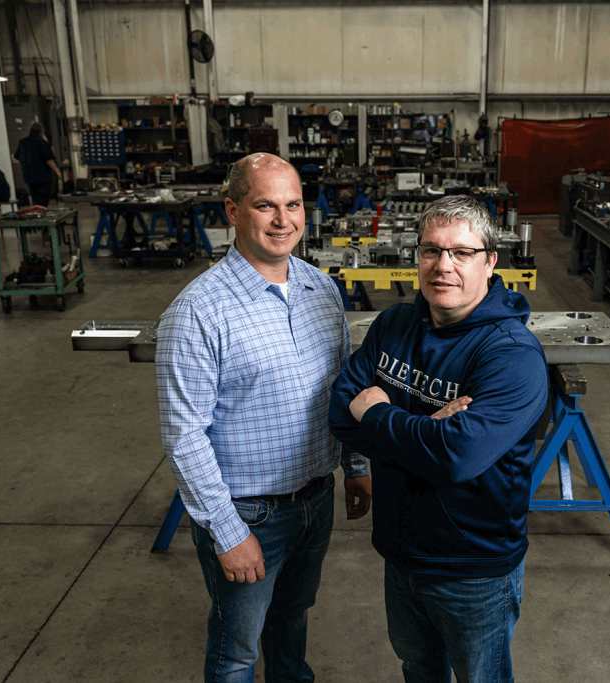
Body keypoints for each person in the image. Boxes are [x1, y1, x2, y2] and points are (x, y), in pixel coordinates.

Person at [156, 152, 372, 683]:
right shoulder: (198, 311)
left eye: (293, 204)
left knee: (291, 622)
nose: (284, 221)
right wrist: (228, 532)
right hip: (249, 512)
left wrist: (357, 465)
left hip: (315, 501)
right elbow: (185, 438)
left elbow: (343, 389)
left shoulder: (321, 289)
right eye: (265, 206)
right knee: (236, 652)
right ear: (233, 211)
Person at [328, 195, 549, 683]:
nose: (443, 266)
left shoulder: (512, 356)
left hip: (472, 567)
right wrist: (428, 431)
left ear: (490, 261)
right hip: (399, 550)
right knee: (418, 669)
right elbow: (340, 417)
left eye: (462, 253)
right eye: (431, 250)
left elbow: (455, 458)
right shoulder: (393, 325)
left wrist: (379, 411)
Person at [13, 122, 61, 207]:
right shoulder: (42, 142)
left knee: (35, 198)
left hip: (29, 176)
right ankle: (41, 215)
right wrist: (57, 171)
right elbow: (49, 159)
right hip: (42, 176)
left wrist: (25, 166)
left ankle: (37, 214)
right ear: (41, 132)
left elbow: (17, 158)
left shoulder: (22, 142)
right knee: (43, 199)